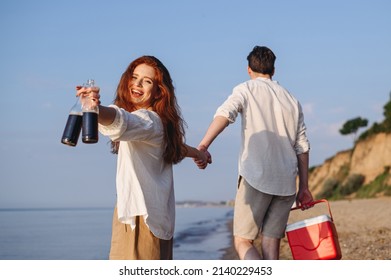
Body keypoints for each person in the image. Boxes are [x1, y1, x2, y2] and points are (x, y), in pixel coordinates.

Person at [77, 55, 208, 260]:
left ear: (158, 91)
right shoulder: (160, 124)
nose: (136, 84)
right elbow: (175, 147)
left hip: (139, 217)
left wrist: (95, 108)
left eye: (147, 81)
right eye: (134, 77)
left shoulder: (148, 120)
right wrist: (199, 154)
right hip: (158, 219)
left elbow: (122, 120)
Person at [195, 46, 314, 260]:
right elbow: (302, 146)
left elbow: (225, 114)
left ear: (249, 69)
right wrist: (304, 187)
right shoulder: (292, 100)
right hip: (286, 182)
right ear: (273, 70)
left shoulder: (246, 89)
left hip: (256, 177)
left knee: (243, 240)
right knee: (271, 242)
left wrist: (203, 146)